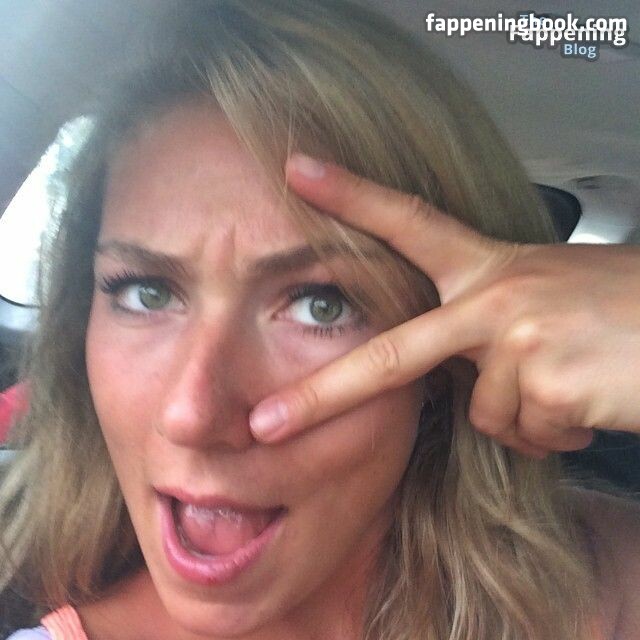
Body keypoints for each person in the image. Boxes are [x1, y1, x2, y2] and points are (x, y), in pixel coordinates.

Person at [1, 1, 639, 638]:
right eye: (146, 293)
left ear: (447, 360)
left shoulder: (599, 584)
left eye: (320, 305)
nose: (192, 416)